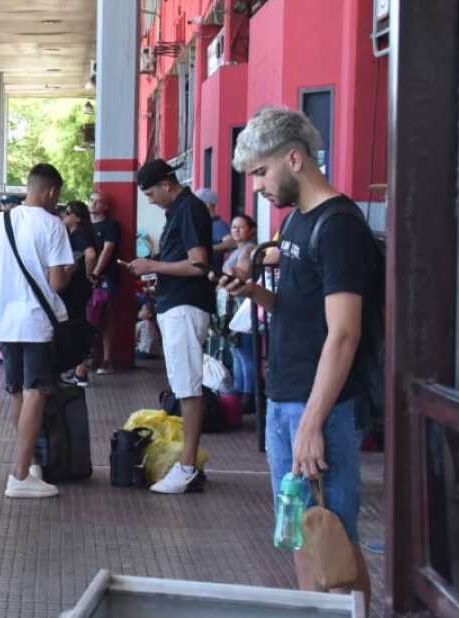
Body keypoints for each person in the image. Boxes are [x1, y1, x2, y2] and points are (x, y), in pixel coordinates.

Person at [219, 106, 378, 588]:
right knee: (301, 534)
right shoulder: (297, 223)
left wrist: (311, 421)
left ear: (293, 159)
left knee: (333, 541)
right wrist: (256, 294)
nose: (257, 187)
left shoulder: (339, 227)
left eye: (260, 172)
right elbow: (299, 306)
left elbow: (345, 332)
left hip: (321, 408)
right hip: (287, 400)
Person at [0, 164, 75, 499]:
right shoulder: (53, 225)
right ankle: (19, 475)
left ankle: (31, 464)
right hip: (37, 321)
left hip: (6, 321)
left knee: (18, 392)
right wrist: (70, 270)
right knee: (36, 392)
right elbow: (57, 282)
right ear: (50, 191)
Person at [128, 159, 215, 494]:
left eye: (150, 193)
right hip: (175, 304)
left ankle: (188, 466)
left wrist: (154, 264)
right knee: (184, 385)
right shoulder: (179, 211)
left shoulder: (189, 209)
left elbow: (199, 264)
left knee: (189, 389)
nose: (150, 199)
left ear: (167, 184)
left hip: (185, 307)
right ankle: (187, 464)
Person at [59, 201, 100, 386]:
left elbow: (90, 254)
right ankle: (77, 369)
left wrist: (88, 274)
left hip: (77, 288)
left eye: (68, 213)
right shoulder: (74, 234)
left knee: (77, 326)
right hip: (75, 287)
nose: (64, 216)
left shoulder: (80, 234)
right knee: (76, 325)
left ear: (77, 217)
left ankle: (80, 371)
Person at [223, 213, 259, 411]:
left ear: (251, 230)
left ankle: (249, 394)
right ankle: (239, 390)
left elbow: (243, 273)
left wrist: (228, 273)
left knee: (245, 352)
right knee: (236, 351)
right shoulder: (236, 250)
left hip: (243, 306)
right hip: (233, 308)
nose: (236, 230)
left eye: (241, 227)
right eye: (233, 227)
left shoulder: (249, 249)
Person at [84, 190, 121, 377]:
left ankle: (107, 359)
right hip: (84, 279)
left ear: (105, 206)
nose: (93, 204)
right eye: (91, 200)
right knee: (87, 316)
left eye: (98, 202)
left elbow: (108, 249)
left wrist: (96, 273)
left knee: (106, 317)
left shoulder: (110, 225)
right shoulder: (84, 225)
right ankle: (88, 356)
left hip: (106, 278)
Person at [197, 188, 234, 257]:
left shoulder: (217, 224)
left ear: (207, 204)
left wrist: (207, 249)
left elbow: (231, 242)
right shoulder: (207, 222)